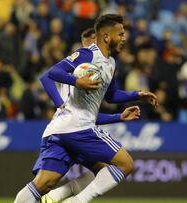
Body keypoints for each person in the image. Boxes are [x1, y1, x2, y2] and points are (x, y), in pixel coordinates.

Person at [14, 14, 158, 203]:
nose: (124, 38)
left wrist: (137, 95)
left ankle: (55, 197)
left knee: (43, 184)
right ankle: (76, 201)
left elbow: (111, 95)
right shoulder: (88, 54)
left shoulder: (111, 64)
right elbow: (53, 73)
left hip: (60, 130)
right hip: (79, 127)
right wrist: (77, 82)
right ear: (107, 36)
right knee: (125, 164)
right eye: (121, 34)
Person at [39, 27, 143, 203]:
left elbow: (96, 110)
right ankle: (70, 199)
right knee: (119, 166)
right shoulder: (79, 70)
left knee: (104, 171)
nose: (94, 45)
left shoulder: (104, 66)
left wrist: (122, 112)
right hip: (72, 128)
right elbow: (47, 77)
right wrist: (61, 105)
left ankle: (55, 196)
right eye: (91, 42)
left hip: (70, 127)